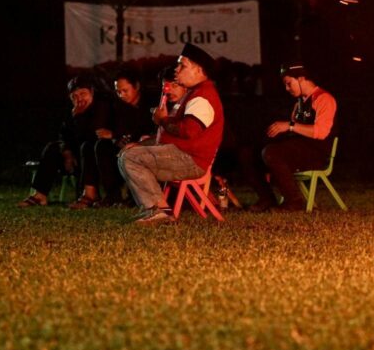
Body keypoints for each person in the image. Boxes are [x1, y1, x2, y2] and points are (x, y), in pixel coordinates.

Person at [118, 44, 224, 223]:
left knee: (130, 158)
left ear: (199, 70)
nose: (177, 70)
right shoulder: (193, 94)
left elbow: (189, 131)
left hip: (190, 160)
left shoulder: (203, 96)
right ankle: (158, 208)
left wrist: (162, 121)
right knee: (127, 154)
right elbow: (171, 134)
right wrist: (142, 144)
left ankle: (157, 209)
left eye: (182, 66)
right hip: (182, 155)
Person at [245, 63, 337, 212]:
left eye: (289, 84)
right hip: (297, 149)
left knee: (272, 152)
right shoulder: (299, 103)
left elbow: (321, 132)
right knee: (249, 154)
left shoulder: (324, 99)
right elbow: (292, 131)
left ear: (301, 79)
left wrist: (290, 125)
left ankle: (294, 201)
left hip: (316, 153)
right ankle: (266, 198)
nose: (287, 89)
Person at [18, 75, 112, 208]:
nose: (79, 99)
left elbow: (91, 136)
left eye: (83, 94)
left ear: (91, 92)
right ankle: (40, 196)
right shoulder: (73, 112)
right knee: (53, 148)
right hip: (76, 157)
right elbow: (63, 135)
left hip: (97, 158)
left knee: (87, 147)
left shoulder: (101, 108)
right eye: (75, 96)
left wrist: (78, 118)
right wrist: (67, 152)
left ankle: (91, 195)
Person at [91, 68, 156, 206]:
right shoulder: (116, 105)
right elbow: (109, 129)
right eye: (118, 91)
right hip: (122, 143)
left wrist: (119, 135)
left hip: (145, 145)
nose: (121, 95)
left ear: (136, 87)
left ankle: (136, 197)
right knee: (102, 147)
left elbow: (150, 129)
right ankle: (113, 195)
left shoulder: (150, 103)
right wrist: (115, 137)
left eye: (125, 91)